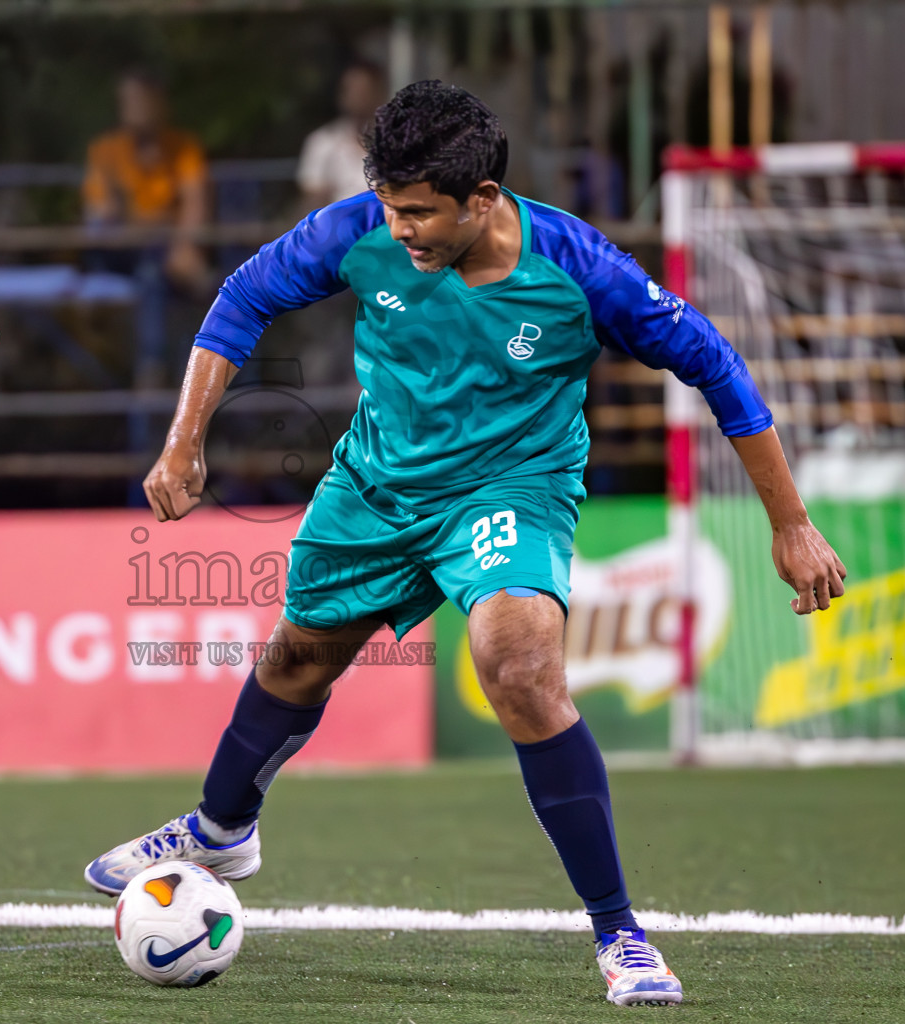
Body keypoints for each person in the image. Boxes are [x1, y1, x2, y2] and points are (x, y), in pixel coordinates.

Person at [84, 81, 847, 1007]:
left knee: (519, 667)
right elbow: (243, 299)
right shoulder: (360, 229)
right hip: (375, 484)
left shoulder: (579, 268)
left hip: (510, 487)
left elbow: (714, 364)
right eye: (391, 206)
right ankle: (221, 828)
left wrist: (791, 521)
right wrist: (183, 439)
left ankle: (620, 933)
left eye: (419, 212)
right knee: (295, 663)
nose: (399, 228)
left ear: (483, 198)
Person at [82, 69, 210, 295]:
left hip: (169, 246)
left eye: (141, 99)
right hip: (119, 250)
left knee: (167, 268)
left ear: (160, 103)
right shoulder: (105, 151)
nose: (134, 108)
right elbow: (102, 214)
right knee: (155, 270)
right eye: (128, 101)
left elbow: (195, 205)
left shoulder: (183, 147)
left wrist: (184, 245)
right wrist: (163, 219)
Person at [296, 60, 388, 210]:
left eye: (364, 91)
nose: (358, 97)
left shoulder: (402, 143)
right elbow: (314, 201)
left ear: (379, 93)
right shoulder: (322, 142)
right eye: (352, 90)